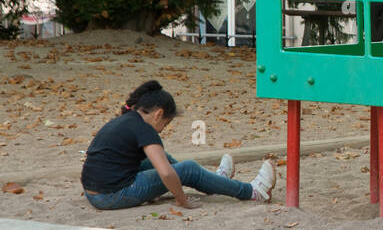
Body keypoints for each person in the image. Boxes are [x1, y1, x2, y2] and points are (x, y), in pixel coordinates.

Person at [81, 85, 275, 210]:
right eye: (165, 124)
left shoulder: (128, 119)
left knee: (161, 158)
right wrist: (181, 200)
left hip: (95, 192)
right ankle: (252, 192)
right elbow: (166, 174)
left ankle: (215, 182)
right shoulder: (144, 129)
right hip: (112, 195)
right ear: (158, 114)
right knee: (188, 169)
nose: (163, 129)